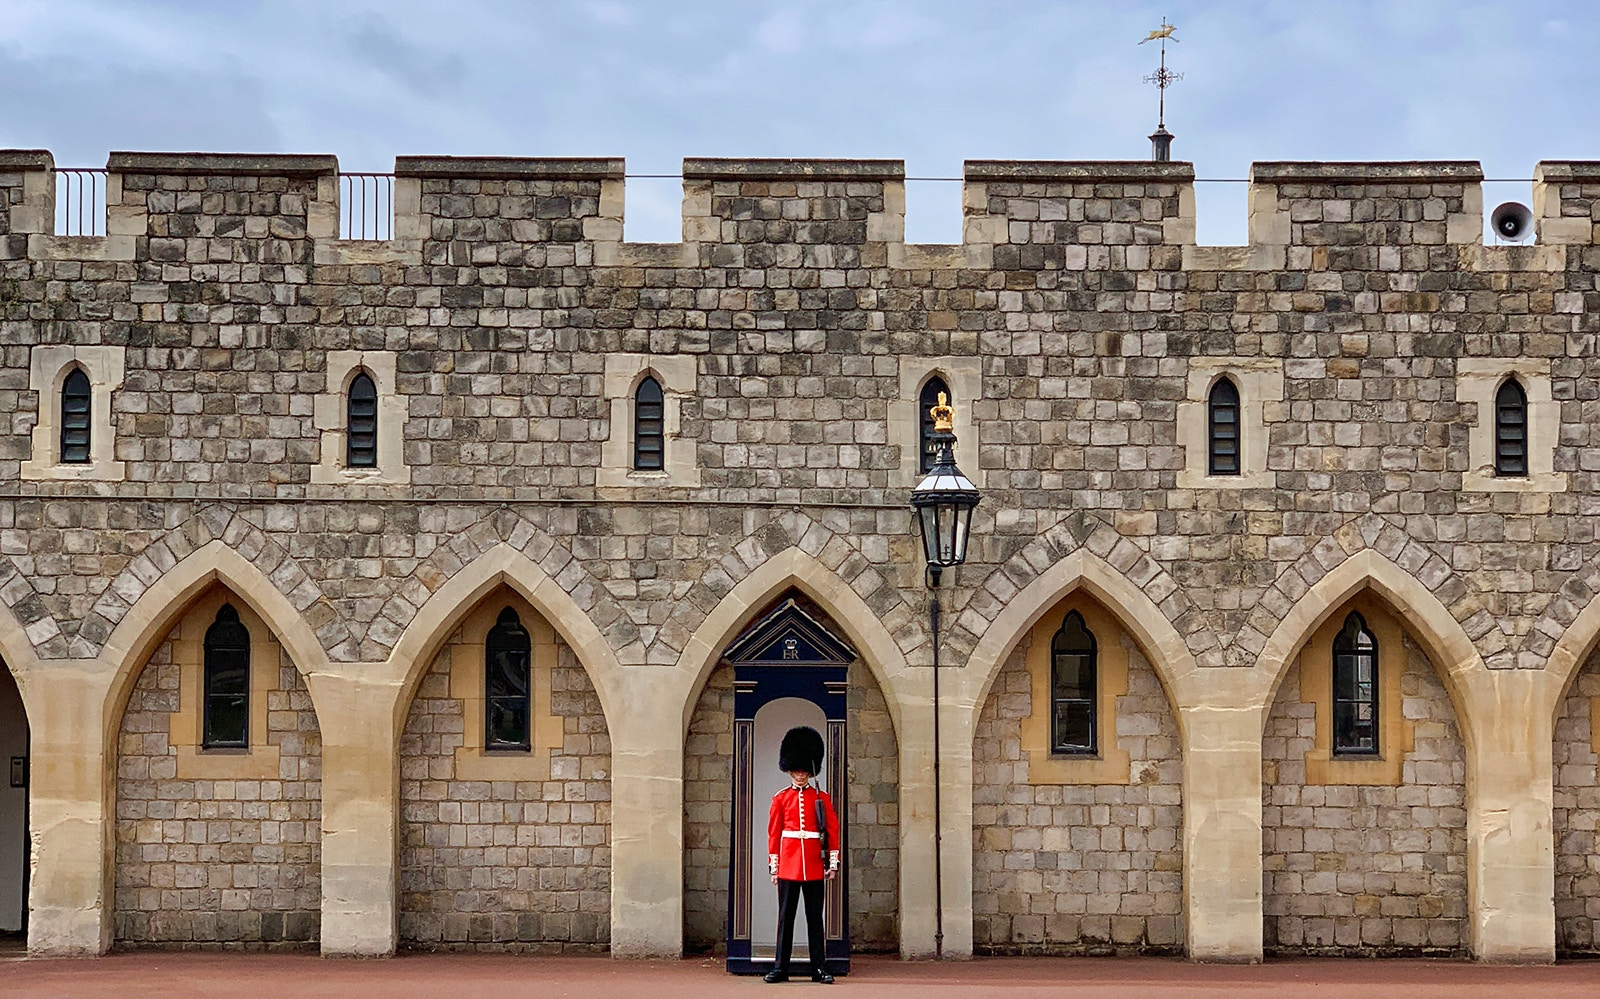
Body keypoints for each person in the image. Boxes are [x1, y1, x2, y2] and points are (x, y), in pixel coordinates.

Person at [764, 725, 840, 985]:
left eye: (804, 770)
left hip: (814, 864)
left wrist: (832, 863)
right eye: (796, 770)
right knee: (785, 919)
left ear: (810, 770)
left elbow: (832, 831)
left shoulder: (822, 798)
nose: (799, 774)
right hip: (788, 865)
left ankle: (819, 968)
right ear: (789, 770)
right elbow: (774, 834)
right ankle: (780, 968)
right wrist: (774, 867)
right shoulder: (780, 798)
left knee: (814, 920)